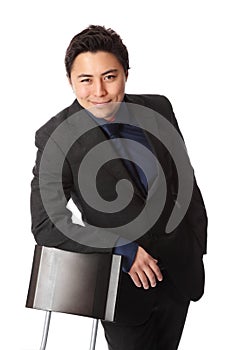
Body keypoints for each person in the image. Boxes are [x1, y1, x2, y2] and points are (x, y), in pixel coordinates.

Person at [30, 25, 208, 350]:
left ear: (126, 73)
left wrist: (197, 244)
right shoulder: (56, 139)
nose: (98, 91)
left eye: (110, 77)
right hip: (120, 286)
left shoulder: (158, 108)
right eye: (86, 80)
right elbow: (47, 225)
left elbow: (185, 181)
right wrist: (120, 248)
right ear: (71, 80)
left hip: (179, 274)